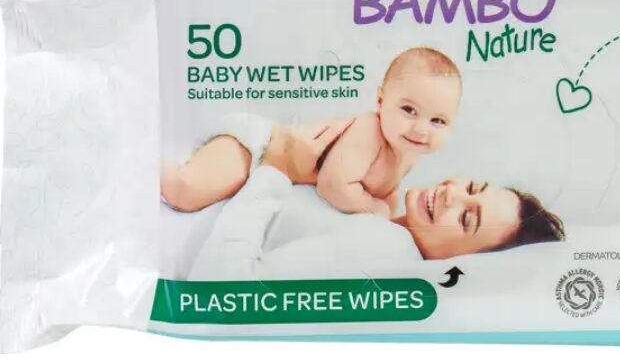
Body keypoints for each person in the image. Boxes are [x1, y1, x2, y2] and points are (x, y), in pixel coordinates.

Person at [186, 118, 564, 280]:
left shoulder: (386, 248)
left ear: (462, 264)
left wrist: (277, 168)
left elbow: (223, 291)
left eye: (467, 218)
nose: (453, 194)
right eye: (472, 188)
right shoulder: (381, 220)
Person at [162, 47, 462, 218]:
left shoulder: (407, 153)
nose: (421, 129)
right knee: (183, 191)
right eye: (409, 110)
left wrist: (389, 210)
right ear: (381, 100)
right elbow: (334, 185)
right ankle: (142, 163)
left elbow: (385, 188)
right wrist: (373, 208)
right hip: (257, 146)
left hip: (271, 169)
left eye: (438, 121)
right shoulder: (370, 131)